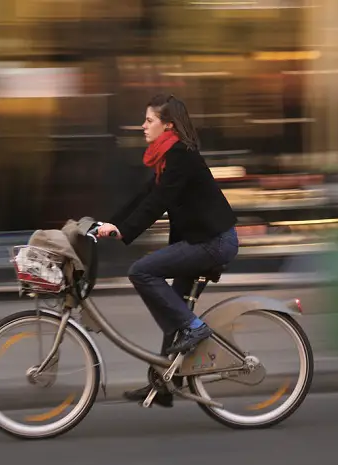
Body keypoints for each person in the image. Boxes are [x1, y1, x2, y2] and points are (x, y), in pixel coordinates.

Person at [97, 94, 239, 407]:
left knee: (142, 271)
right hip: (200, 241)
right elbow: (144, 196)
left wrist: (125, 231)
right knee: (173, 306)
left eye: (149, 120)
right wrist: (109, 223)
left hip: (214, 242)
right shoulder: (167, 157)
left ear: (168, 125)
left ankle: (197, 329)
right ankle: (164, 382)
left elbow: (157, 203)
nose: (142, 126)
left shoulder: (181, 156)